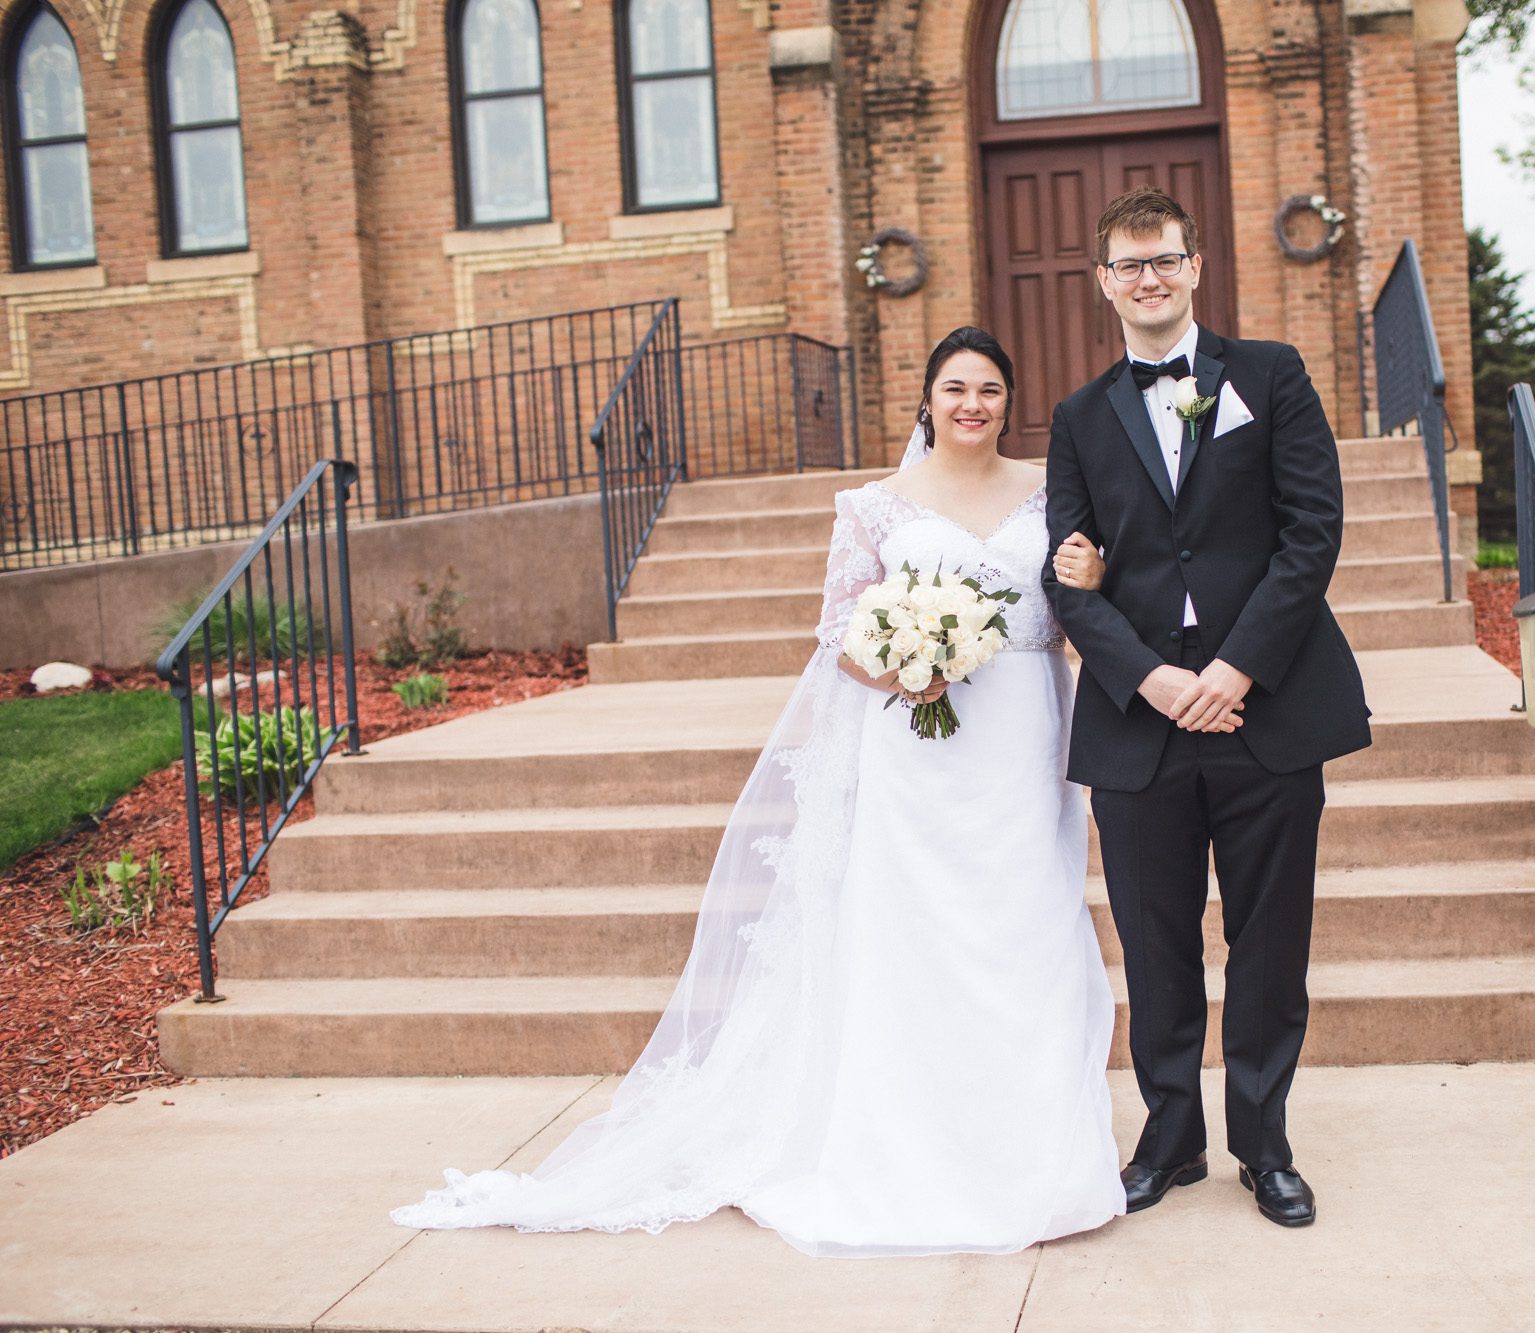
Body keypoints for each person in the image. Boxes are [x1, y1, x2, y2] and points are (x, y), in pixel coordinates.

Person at [391, 327, 1133, 1257]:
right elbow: (840, 637)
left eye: (989, 388)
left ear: (1008, 401)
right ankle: (915, 1154)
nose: (972, 404)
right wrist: (908, 669)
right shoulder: (876, 505)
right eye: (955, 388)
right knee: (918, 934)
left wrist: (1097, 578)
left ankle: (1034, 1156)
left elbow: (1075, 612)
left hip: (1024, 742)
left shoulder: (1050, 494)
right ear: (927, 399)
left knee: (1028, 925)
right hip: (918, 755)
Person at [1042, 187, 1373, 1229]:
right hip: (1140, 717)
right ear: (1103, 282)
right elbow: (1065, 574)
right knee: (1155, 943)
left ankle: (1265, 1146)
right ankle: (1170, 1137)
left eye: (1164, 260)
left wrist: (1235, 670)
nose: (1148, 278)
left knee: (1269, 942)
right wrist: (1150, 678)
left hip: (1263, 707)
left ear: (1194, 268)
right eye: (1128, 264)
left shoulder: (1270, 375)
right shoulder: (1077, 418)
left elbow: (1311, 530)